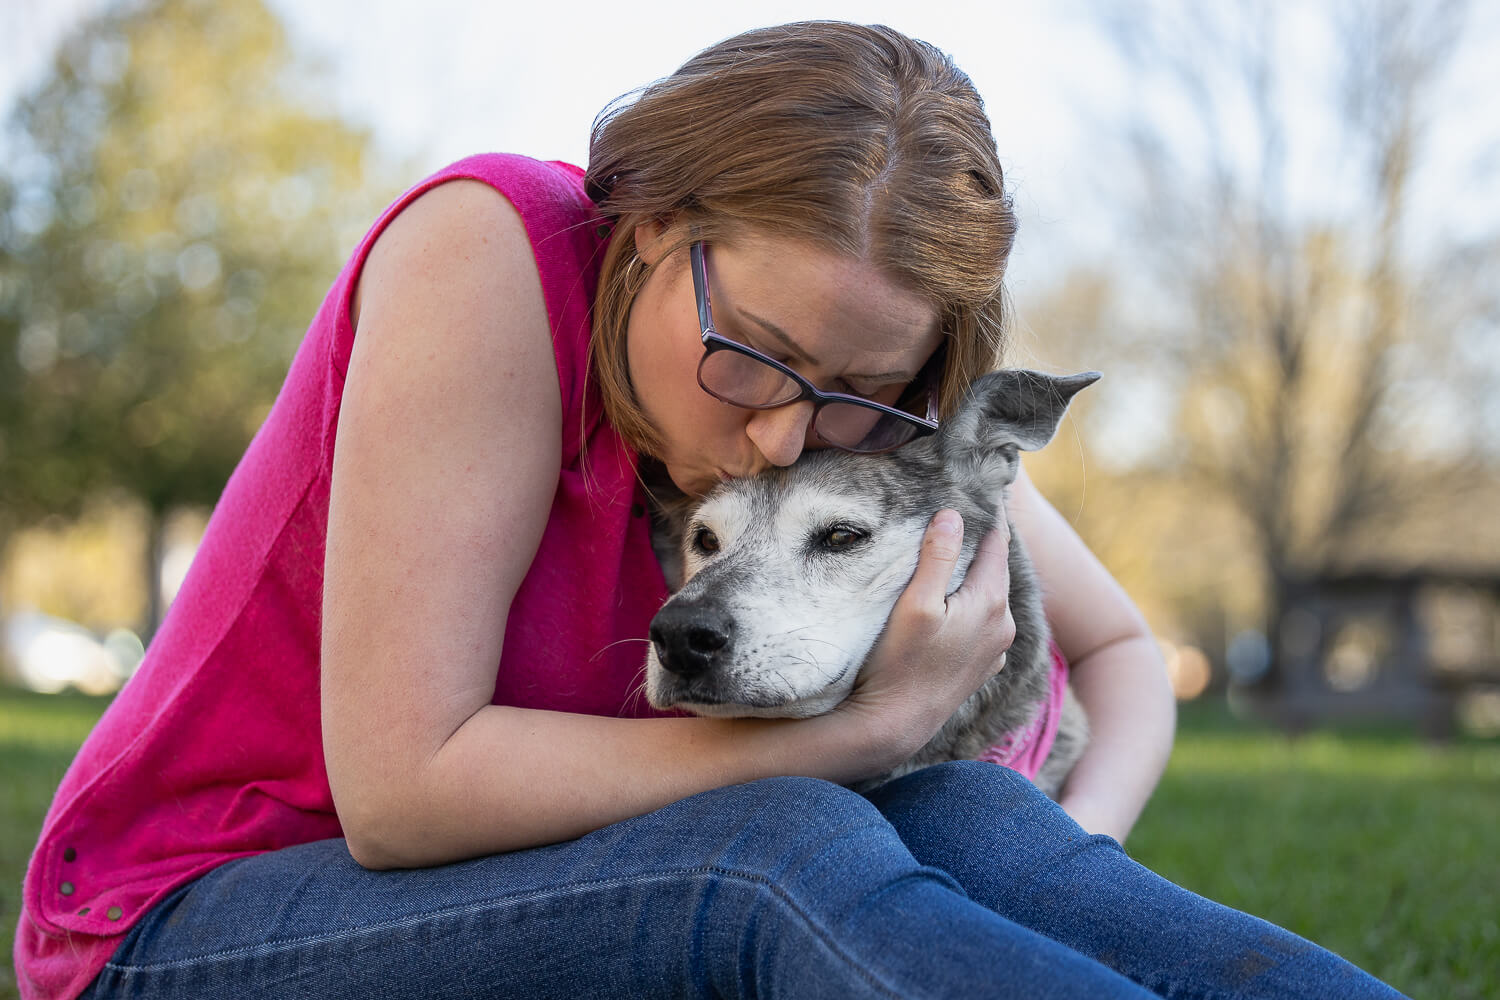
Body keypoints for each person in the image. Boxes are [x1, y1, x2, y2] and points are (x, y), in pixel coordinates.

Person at [16, 21, 1405, 1000]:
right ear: (648, 222)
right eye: (753, 346)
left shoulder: (874, 428)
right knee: (780, 850)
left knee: (978, 824)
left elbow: (1116, 649)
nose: (788, 429)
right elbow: (400, 790)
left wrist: (1064, 841)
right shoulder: (490, 256)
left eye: (860, 384)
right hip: (188, 925)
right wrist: (860, 736)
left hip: (552, 891)